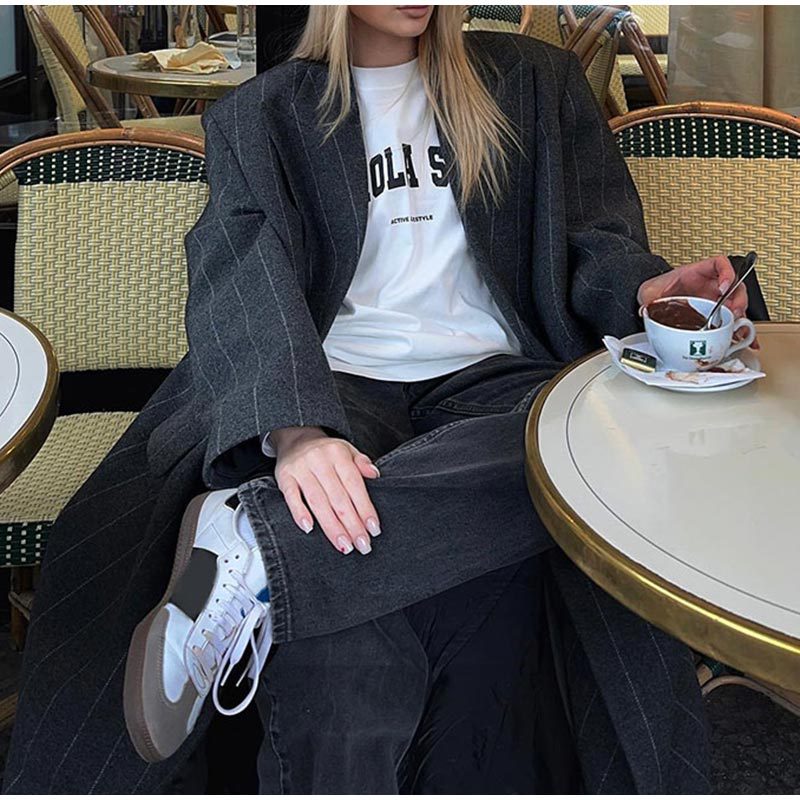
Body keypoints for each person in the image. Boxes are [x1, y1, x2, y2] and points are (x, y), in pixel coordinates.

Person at [5, 6, 748, 795]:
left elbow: (595, 239)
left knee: (586, 459)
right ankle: (273, 548)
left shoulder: (533, 83)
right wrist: (296, 431)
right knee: (352, 631)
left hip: (500, 380)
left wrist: (647, 289)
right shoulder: (266, 113)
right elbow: (241, 269)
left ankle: (254, 543)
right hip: (334, 379)